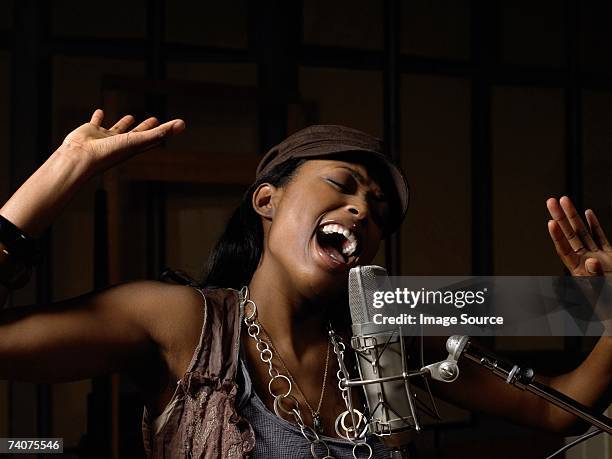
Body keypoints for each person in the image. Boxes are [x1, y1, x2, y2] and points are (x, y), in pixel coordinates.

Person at [0, 110, 610, 459]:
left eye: (377, 211)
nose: (362, 212)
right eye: (340, 186)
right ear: (267, 200)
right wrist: (65, 169)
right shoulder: (184, 323)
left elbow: (563, 410)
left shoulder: (390, 340)